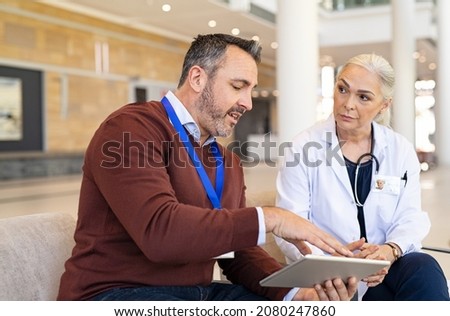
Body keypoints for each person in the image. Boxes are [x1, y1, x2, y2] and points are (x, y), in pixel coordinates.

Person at [57, 33, 358, 301]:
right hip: (118, 293)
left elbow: (237, 253)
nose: (248, 102)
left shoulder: (226, 161)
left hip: (197, 294)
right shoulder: (131, 129)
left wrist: (295, 295)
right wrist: (270, 218)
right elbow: (160, 233)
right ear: (198, 78)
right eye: (238, 86)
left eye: (250, 90)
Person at [275, 53, 450, 301]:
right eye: (343, 89)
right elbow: (290, 228)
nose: (348, 103)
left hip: (383, 272)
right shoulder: (302, 147)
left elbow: (410, 217)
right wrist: (339, 264)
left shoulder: (399, 149)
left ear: (384, 105)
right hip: (327, 277)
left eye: (363, 97)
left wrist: (389, 251)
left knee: (423, 267)